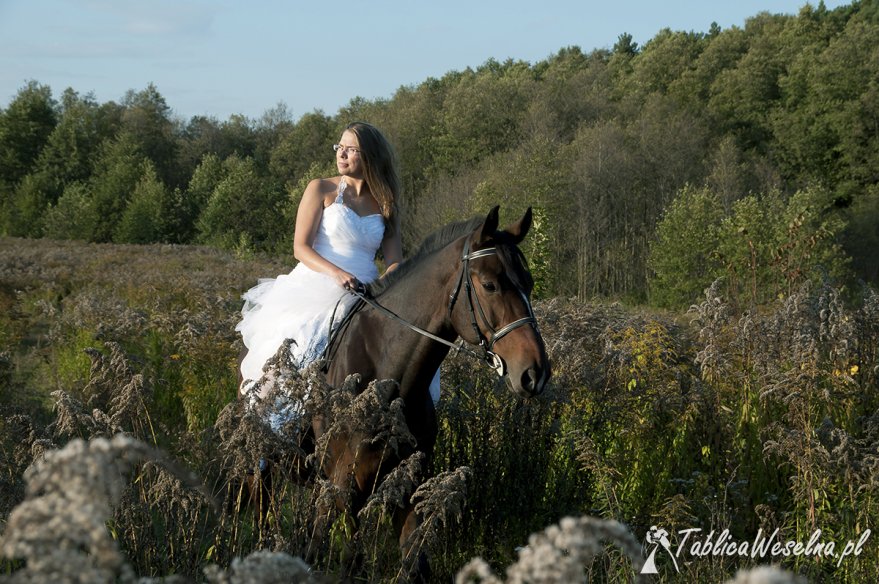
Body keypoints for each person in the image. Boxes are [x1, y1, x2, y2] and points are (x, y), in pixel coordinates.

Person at [235, 122, 439, 421]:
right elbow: (301, 248)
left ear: (369, 156)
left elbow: (395, 260)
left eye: (350, 149)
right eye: (339, 147)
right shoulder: (321, 188)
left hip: (366, 289)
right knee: (298, 347)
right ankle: (273, 425)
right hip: (319, 282)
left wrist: (384, 283)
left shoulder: (386, 201)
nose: (341, 154)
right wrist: (337, 274)